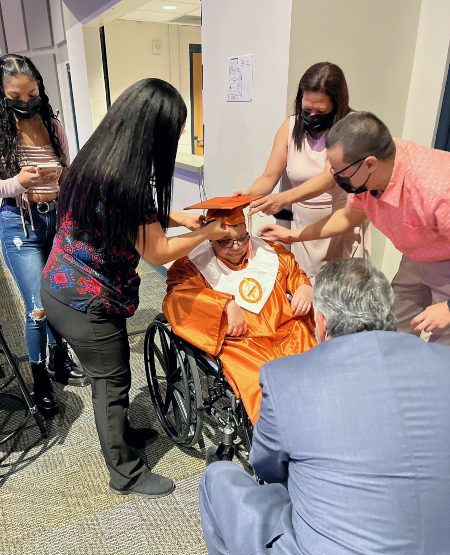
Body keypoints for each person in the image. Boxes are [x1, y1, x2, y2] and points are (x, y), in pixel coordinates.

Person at [200, 258, 450, 555]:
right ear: (389, 311)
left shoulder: (284, 377)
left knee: (217, 478)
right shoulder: (443, 363)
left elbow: (267, 467)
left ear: (320, 321)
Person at [41, 78, 231, 499]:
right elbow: (159, 253)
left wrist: (180, 218)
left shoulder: (96, 158)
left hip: (62, 285)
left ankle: (121, 434)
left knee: (108, 377)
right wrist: (210, 232)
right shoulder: (127, 181)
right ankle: (124, 473)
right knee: (111, 383)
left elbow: (126, 222)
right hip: (84, 301)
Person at [260, 111, 450, 344]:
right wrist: (294, 235)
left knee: (444, 345)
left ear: (370, 163)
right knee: (394, 327)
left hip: (446, 263)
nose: (336, 180)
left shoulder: (437, 190)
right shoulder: (371, 175)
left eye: (340, 174)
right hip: (417, 255)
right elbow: (347, 218)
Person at [163, 196, 316, 424]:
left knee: (314, 369)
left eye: (242, 238)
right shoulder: (190, 266)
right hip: (240, 343)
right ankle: (279, 439)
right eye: (225, 241)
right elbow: (177, 299)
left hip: (287, 331)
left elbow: (293, 271)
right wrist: (223, 304)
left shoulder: (269, 252)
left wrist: (303, 286)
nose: (237, 247)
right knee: (262, 384)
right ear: (210, 239)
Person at [0, 54, 87, 417]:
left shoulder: (52, 125)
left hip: (56, 221)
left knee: (59, 298)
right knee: (37, 307)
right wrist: (18, 182)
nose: (26, 102)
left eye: (32, 93)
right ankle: (40, 382)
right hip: (19, 225)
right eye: (16, 97)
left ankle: (59, 359)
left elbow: (68, 171)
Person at [236, 62, 369, 280]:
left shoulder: (351, 127)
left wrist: (282, 198)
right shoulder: (290, 127)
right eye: (307, 110)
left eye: (321, 111)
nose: (313, 116)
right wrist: (251, 194)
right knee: (302, 287)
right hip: (302, 229)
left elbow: (329, 177)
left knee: (336, 294)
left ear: (337, 105)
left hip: (337, 226)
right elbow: (269, 176)